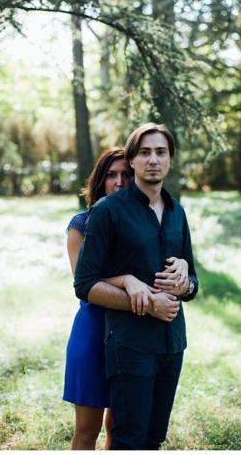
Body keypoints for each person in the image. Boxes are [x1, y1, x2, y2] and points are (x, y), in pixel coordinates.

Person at [74, 123, 199, 450]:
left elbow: (194, 282)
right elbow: (85, 284)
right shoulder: (107, 211)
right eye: (144, 152)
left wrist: (185, 284)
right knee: (129, 440)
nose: (153, 159)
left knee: (154, 439)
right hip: (130, 347)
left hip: (173, 345)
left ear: (170, 159)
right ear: (132, 160)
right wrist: (145, 302)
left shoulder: (177, 212)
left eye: (161, 152)